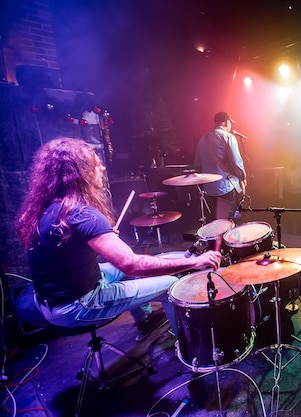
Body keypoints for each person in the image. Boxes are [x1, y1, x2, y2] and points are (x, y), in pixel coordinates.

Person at [14, 138, 222, 342]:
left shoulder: (47, 209)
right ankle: (191, 349)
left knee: (130, 265)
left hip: (51, 301)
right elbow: (131, 265)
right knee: (172, 282)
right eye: (96, 165)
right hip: (77, 305)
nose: (102, 169)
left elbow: (69, 253)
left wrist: (99, 240)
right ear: (81, 174)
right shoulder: (83, 215)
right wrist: (195, 261)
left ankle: (145, 320)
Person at [194, 111, 247, 222]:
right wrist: (243, 178)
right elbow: (237, 162)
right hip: (225, 187)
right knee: (228, 223)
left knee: (215, 223)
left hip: (209, 189)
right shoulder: (229, 137)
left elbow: (197, 164)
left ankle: (217, 240)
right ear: (227, 122)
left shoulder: (202, 139)